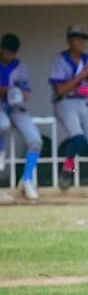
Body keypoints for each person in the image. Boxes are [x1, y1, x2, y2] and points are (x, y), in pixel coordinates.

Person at [49, 24, 88, 198]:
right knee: (78, 139)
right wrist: (82, 76)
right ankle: (67, 169)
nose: (80, 42)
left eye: (83, 38)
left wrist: (78, 88)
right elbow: (60, 90)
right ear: (69, 40)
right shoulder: (60, 59)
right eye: (76, 38)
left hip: (83, 103)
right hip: (64, 103)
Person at [0, 33, 42, 201]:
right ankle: (1, 151)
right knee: (2, 124)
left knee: (35, 140)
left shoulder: (20, 68)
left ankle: (27, 180)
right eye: (6, 51)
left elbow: (27, 91)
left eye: (12, 53)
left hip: (16, 108)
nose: (9, 55)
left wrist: (22, 94)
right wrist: (5, 90)